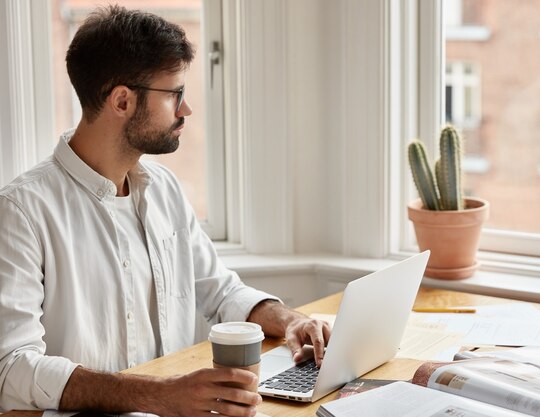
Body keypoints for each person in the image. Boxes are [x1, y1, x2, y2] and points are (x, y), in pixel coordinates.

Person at [0, 5, 330, 416]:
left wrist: (290, 320)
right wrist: (159, 394)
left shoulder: (165, 189)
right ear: (122, 101)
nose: (185, 110)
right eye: (175, 94)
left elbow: (221, 290)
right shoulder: (21, 212)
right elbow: (11, 368)